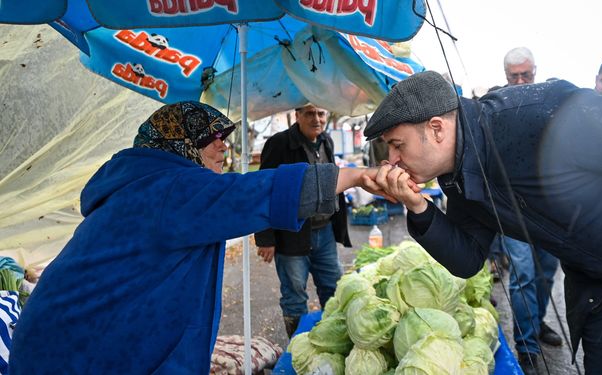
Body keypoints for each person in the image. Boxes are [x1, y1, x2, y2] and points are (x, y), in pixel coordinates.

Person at [9, 101, 381, 374]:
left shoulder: (145, 182)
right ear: (180, 143)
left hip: (64, 339)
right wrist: (358, 176)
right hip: (68, 354)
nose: (223, 146)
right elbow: (254, 193)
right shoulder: (168, 187)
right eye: (211, 137)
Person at [362, 71, 602, 374]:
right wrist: (418, 207)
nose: (392, 160)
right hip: (600, 287)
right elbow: (467, 259)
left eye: (398, 145)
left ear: (437, 129)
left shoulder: (535, 112)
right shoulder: (459, 179)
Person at [254, 104, 351, 338]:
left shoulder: (326, 140)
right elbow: (263, 189)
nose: (316, 118)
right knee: (295, 295)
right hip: (291, 234)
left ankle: (334, 340)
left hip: (324, 231)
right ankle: (299, 348)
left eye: (321, 113)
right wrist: (265, 238)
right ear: (297, 116)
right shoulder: (279, 144)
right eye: (309, 113)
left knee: (333, 287)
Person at [499, 47, 563, 373]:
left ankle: (536, 325)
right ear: (506, 77)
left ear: (535, 72)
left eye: (527, 75)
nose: (521, 81)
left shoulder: (549, 105)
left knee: (546, 272)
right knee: (522, 273)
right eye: (515, 77)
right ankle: (525, 345)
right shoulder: (494, 110)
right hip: (513, 210)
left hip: (548, 209)